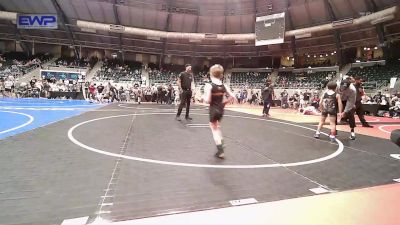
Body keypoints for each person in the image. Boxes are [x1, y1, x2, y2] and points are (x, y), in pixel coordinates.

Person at [203, 64, 235, 158]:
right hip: (221, 109)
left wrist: (202, 97)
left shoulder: (209, 85)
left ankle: (220, 150)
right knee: (217, 127)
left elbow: (208, 100)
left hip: (213, 108)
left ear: (211, 74)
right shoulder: (224, 85)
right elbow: (233, 97)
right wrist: (224, 103)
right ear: (221, 74)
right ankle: (221, 143)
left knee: (214, 129)